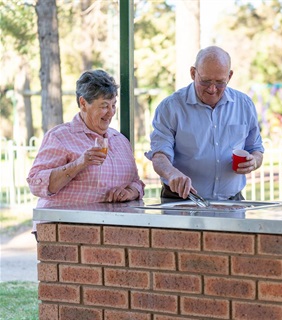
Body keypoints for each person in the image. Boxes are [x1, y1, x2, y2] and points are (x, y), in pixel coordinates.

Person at [145, 46, 264, 201]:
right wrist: (172, 173)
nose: (212, 89)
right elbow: (159, 156)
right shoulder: (171, 107)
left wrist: (254, 161)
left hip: (232, 202)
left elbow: (256, 149)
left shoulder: (244, 105)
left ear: (230, 76)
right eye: (205, 81)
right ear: (193, 73)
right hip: (182, 201)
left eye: (220, 82)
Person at [27, 69, 145, 214]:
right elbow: (36, 184)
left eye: (113, 105)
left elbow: (137, 183)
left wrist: (130, 192)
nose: (111, 112)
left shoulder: (120, 141)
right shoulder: (60, 137)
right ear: (83, 103)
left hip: (108, 227)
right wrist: (79, 163)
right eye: (104, 106)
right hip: (63, 225)